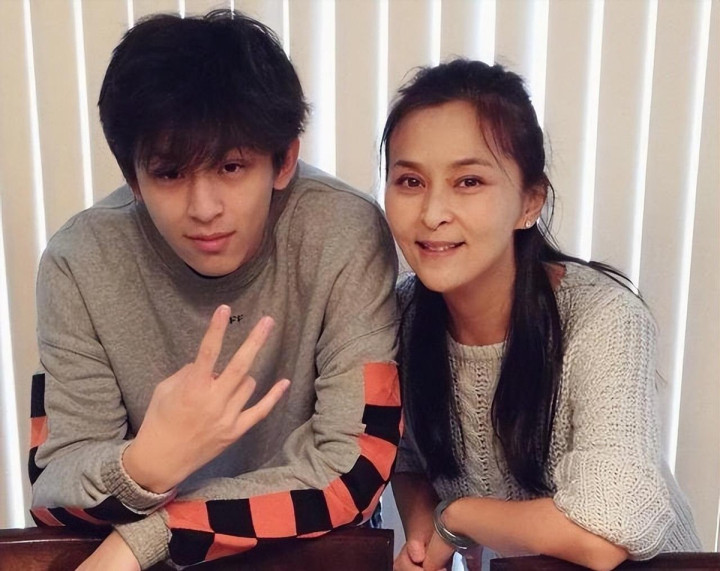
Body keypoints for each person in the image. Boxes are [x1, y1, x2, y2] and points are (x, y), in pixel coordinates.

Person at [28, 10, 401, 570]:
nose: (203, 209)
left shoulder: (344, 233)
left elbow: (355, 472)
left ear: (284, 160)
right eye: (169, 173)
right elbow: (54, 488)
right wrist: (146, 465)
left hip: (306, 553)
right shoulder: (78, 262)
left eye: (231, 167)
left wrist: (150, 534)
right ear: (132, 177)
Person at [382, 59, 701, 571]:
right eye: (410, 181)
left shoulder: (602, 317)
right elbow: (410, 456)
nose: (433, 213)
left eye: (468, 181)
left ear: (530, 202)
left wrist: (458, 518)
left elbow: (605, 537)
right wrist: (424, 541)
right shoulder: (399, 312)